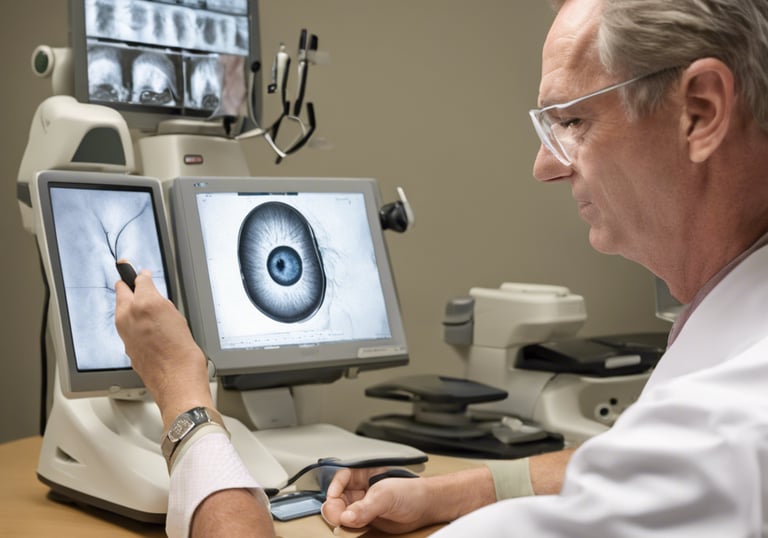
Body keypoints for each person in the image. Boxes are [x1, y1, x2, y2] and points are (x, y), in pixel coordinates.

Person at [115, 0, 768, 535]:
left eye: (572, 120)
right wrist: (457, 491)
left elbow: (673, 465)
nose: (546, 164)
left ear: (701, 111)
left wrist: (185, 402)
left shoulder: (723, 431)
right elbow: (631, 464)